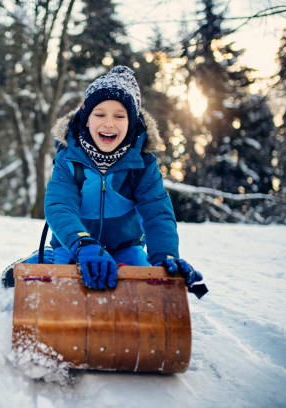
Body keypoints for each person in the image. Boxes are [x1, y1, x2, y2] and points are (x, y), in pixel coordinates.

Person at [44, 65, 203, 291]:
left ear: (131, 122)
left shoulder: (142, 164)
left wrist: (164, 254)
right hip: (75, 245)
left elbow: (157, 211)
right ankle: (45, 258)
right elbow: (59, 205)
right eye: (99, 114)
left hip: (125, 247)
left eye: (120, 116)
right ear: (86, 117)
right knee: (65, 288)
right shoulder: (68, 159)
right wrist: (82, 243)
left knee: (145, 289)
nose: (109, 123)